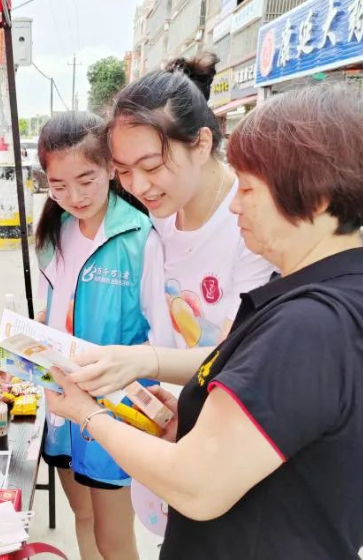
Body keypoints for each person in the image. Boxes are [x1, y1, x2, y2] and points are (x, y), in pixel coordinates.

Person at [45, 83, 363, 559]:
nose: (235, 205)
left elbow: (197, 486)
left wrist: (86, 413)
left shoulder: (309, 326)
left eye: (249, 189)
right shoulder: (362, 294)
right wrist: (192, 415)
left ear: (316, 197)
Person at [69, 53, 274, 395]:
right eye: (124, 170)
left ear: (201, 144)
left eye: (151, 167)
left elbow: (233, 355)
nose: (137, 186)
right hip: (177, 403)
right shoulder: (160, 208)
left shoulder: (250, 220)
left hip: (225, 412)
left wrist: (143, 360)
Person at [34, 112, 172, 560]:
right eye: (58, 185)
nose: (73, 197)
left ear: (111, 169)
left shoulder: (141, 238)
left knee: (114, 538)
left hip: (116, 409)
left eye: (86, 180)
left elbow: (165, 342)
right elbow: (54, 311)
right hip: (61, 402)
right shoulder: (55, 232)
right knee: (83, 516)